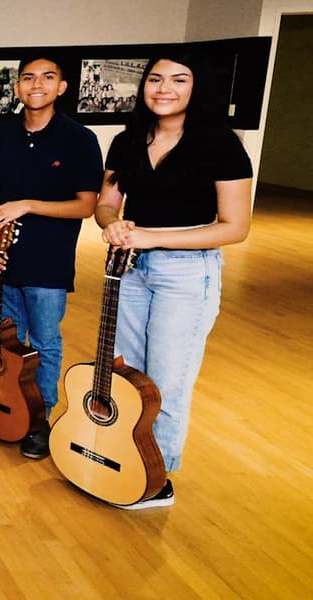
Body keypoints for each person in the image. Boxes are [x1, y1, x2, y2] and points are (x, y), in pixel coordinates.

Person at [95, 52, 252, 509]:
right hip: (130, 267)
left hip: (187, 271)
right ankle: (124, 455)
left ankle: (155, 479)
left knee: (167, 379)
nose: (164, 88)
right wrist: (113, 224)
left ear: (196, 88)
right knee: (127, 373)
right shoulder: (127, 141)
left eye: (179, 80)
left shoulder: (221, 144)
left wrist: (150, 235)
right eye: (156, 79)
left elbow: (235, 226)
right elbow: (107, 202)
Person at [0, 58, 103, 459]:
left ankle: (39, 418)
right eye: (28, 77)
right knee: (7, 338)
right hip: (2, 258)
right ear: (17, 87)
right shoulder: (1, 135)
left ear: (61, 87)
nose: (36, 84)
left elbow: (85, 206)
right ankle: (2, 403)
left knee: (44, 342)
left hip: (48, 262)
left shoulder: (79, 138)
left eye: (47, 77)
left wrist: (27, 205)